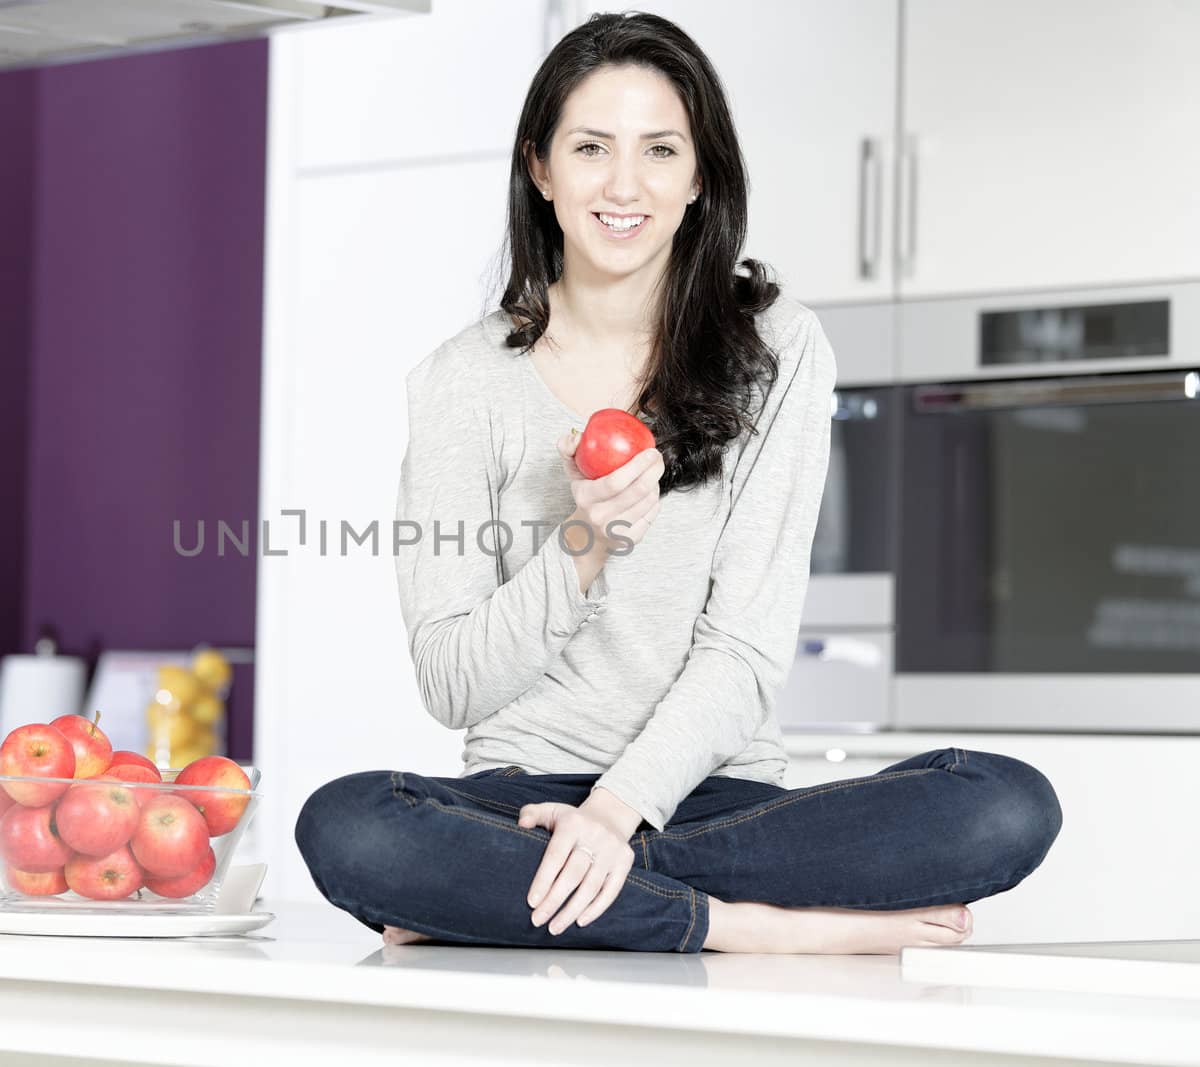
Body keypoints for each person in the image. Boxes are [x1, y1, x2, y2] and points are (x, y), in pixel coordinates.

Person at [294, 11, 1061, 954]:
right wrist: (583, 548)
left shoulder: (779, 351)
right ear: (541, 169)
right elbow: (452, 684)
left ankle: (520, 902)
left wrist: (615, 814)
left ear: (701, 176)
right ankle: (749, 930)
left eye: (660, 150)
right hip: (519, 794)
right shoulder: (464, 382)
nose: (625, 185)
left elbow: (743, 649)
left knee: (1005, 804)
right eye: (591, 148)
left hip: (718, 799)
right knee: (347, 823)